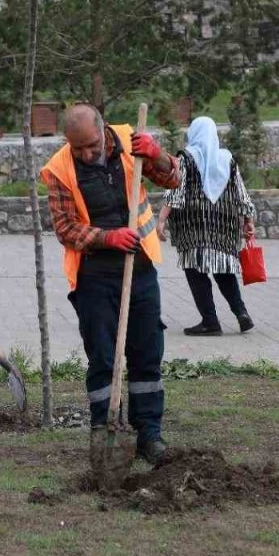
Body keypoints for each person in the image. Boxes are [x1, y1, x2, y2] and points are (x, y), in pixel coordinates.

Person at [40, 103, 180, 465]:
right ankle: (104, 430)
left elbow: (172, 180)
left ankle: (149, 434)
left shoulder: (131, 141)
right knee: (103, 358)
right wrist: (107, 238)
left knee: (147, 353)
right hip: (95, 277)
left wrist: (157, 155)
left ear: (103, 131)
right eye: (78, 148)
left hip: (140, 269)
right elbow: (65, 228)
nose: (87, 154)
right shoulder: (59, 169)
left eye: (92, 145)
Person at [157, 116, 256, 336]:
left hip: (193, 226)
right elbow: (240, 192)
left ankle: (210, 321)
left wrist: (161, 220)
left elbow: (175, 191)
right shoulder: (227, 160)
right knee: (223, 269)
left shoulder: (185, 158)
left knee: (195, 271)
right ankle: (242, 314)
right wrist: (248, 220)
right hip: (224, 225)